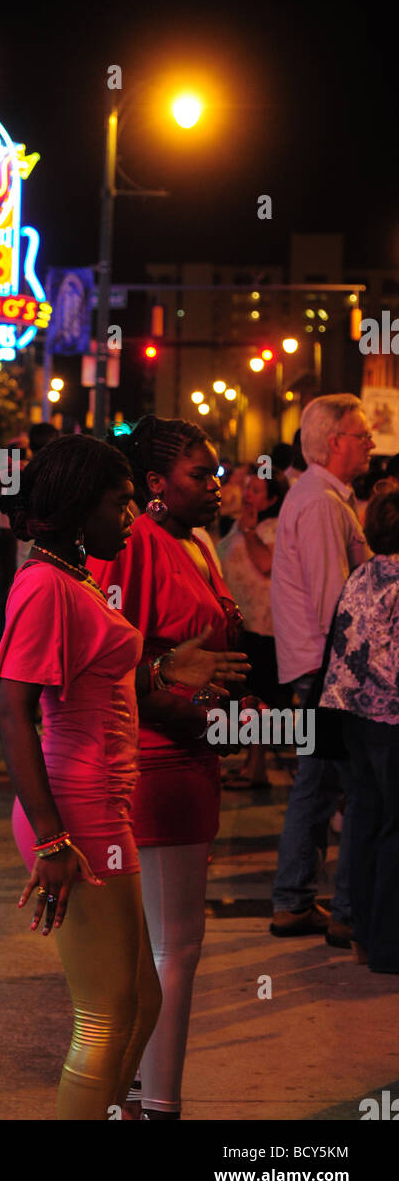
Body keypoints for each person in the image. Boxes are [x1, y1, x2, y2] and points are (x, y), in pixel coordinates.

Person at [0, 435, 249, 1120]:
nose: (132, 514)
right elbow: (12, 711)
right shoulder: (43, 584)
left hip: (103, 804)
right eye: (118, 501)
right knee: (103, 1016)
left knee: (143, 1000)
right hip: (74, 812)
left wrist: (165, 670)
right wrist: (50, 841)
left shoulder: (69, 576)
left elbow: (96, 677)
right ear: (80, 509)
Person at [88, 416, 248, 1121]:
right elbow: (110, 658)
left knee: (169, 944)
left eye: (216, 473)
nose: (215, 486)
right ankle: (154, 1104)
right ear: (153, 484)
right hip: (154, 759)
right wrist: (182, 704)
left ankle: (137, 1096)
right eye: (199, 474)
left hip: (191, 755)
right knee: (170, 948)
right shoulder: (136, 546)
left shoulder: (196, 542)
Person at [269, 395, 374, 944]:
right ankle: (344, 909)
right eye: (361, 434)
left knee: (319, 784)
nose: (371, 443)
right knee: (351, 787)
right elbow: (337, 603)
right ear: (335, 442)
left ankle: (296, 899)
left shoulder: (322, 498)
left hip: (318, 668)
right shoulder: (320, 504)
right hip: (327, 670)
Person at [321, 489, 399, 973]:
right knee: (394, 830)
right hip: (391, 718)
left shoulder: (364, 573)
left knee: (366, 824)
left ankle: (365, 937)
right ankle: (391, 946)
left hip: (352, 716)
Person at [216, 469, 289, 789]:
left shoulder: (274, 528)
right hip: (243, 625)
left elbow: (266, 564)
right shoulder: (242, 524)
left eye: (257, 491)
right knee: (246, 696)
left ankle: (256, 766)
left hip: (265, 626)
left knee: (261, 697)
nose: (248, 495)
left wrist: (248, 532)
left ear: (273, 499)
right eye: (248, 488)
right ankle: (250, 763)